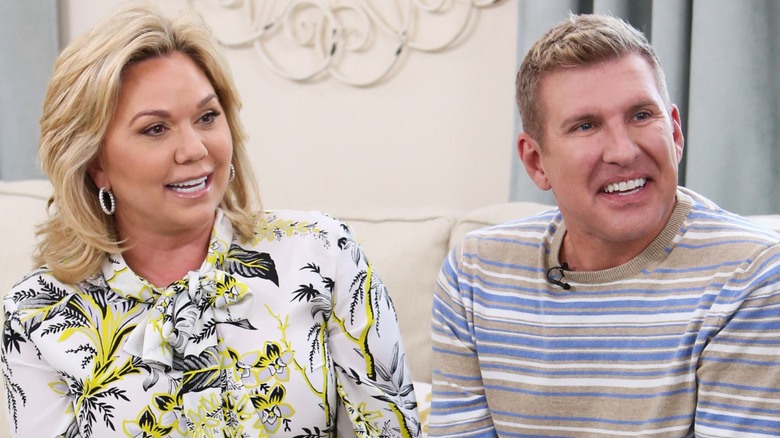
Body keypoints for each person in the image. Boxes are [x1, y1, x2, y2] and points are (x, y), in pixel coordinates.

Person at [1, 3, 420, 437]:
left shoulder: (322, 251)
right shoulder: (38, 314)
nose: (195, 149)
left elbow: (390, 429)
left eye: (207, 117)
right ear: (94, 163)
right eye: (155, 129)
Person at [430, 13, 780, 437]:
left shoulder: (754, 277)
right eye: (586, 125)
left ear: (674, 132)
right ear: (536, 162)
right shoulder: (475, 273)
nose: (622, 150)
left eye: (640, 115)